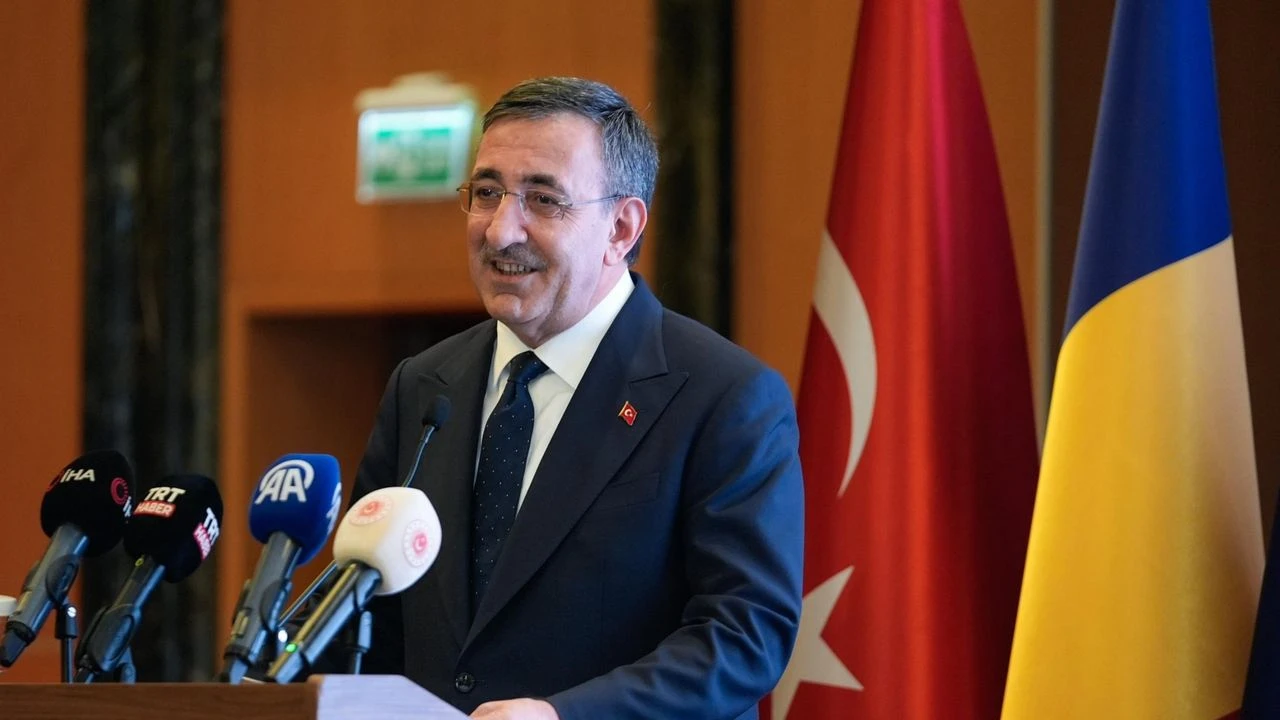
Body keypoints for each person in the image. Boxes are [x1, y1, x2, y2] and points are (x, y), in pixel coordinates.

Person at [350, 76, 803, 720]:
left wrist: (564, 715)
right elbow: (370, 613)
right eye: (487, 193)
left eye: (543, 200)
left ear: (621, 227)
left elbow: (744, 635)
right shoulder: (423, 385)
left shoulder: (723, 396)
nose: (500, 231)